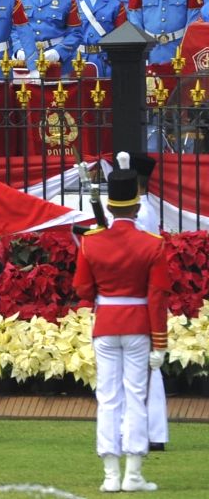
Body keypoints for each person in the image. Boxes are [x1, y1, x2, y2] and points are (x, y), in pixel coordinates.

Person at [73, 152, 169, 493]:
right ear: (137, 204)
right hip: (139, 324)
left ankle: (111, 474)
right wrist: (160, 342)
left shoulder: (92, 242)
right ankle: (132, 474)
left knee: (108, 398)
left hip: (106, 324)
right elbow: (157, 297)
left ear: (110, 205)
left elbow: (83, 289)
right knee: (135, 397)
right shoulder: (152, 245)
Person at [129, 152, 169, 453]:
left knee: (140, 371)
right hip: (142, 293)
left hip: (135, 293)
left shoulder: (140, 213)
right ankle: (152, 431)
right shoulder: (147, 208)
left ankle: (146, 431)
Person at [75, 0, 126, 75]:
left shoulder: (116, 4)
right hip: (77, 60)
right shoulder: (72, 3)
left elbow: (121, 36)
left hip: (104, 61)